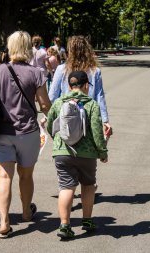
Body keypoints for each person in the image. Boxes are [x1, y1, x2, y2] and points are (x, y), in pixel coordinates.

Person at [0, 31, 51, 238]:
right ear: (28, 48)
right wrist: (49, 117)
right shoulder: (36, 73)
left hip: (2, 132)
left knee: (4, 176)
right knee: (26, 174)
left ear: (10, 47)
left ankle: (4, 222)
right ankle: (26, 213)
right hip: (28, 131)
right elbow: (45, 104)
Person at [46, 70, 108, 239]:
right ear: (86, 85)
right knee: (88, 185)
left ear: (69, 85)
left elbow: (50, 124)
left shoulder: (59, 102)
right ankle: (87, 220)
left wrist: (58, 141)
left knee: (66, 187)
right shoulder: (92, 104)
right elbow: (96, 131)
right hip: (87, 154)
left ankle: (65, 225)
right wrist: (102, 152)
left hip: (62, 152)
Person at [48, 35, 112, 140]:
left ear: (70, 51)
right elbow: (99, 97)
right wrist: (105, 121)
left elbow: (52, 97)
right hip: (88, 121)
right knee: (87, 152)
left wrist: (56, 115)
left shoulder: (61, 70)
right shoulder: (95, 71)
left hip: (66, 120)